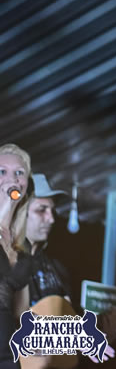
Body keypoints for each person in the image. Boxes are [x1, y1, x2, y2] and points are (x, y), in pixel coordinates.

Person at [25, 173, 116, 363]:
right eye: (41, 210)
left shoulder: (57, 269)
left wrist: (101, 335)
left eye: (52, 210)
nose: (51, 219)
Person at [0, 143, 33, 369]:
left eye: (19, 173)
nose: (12, 179)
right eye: (2, 171)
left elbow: (22, 315)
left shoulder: (23, 246)